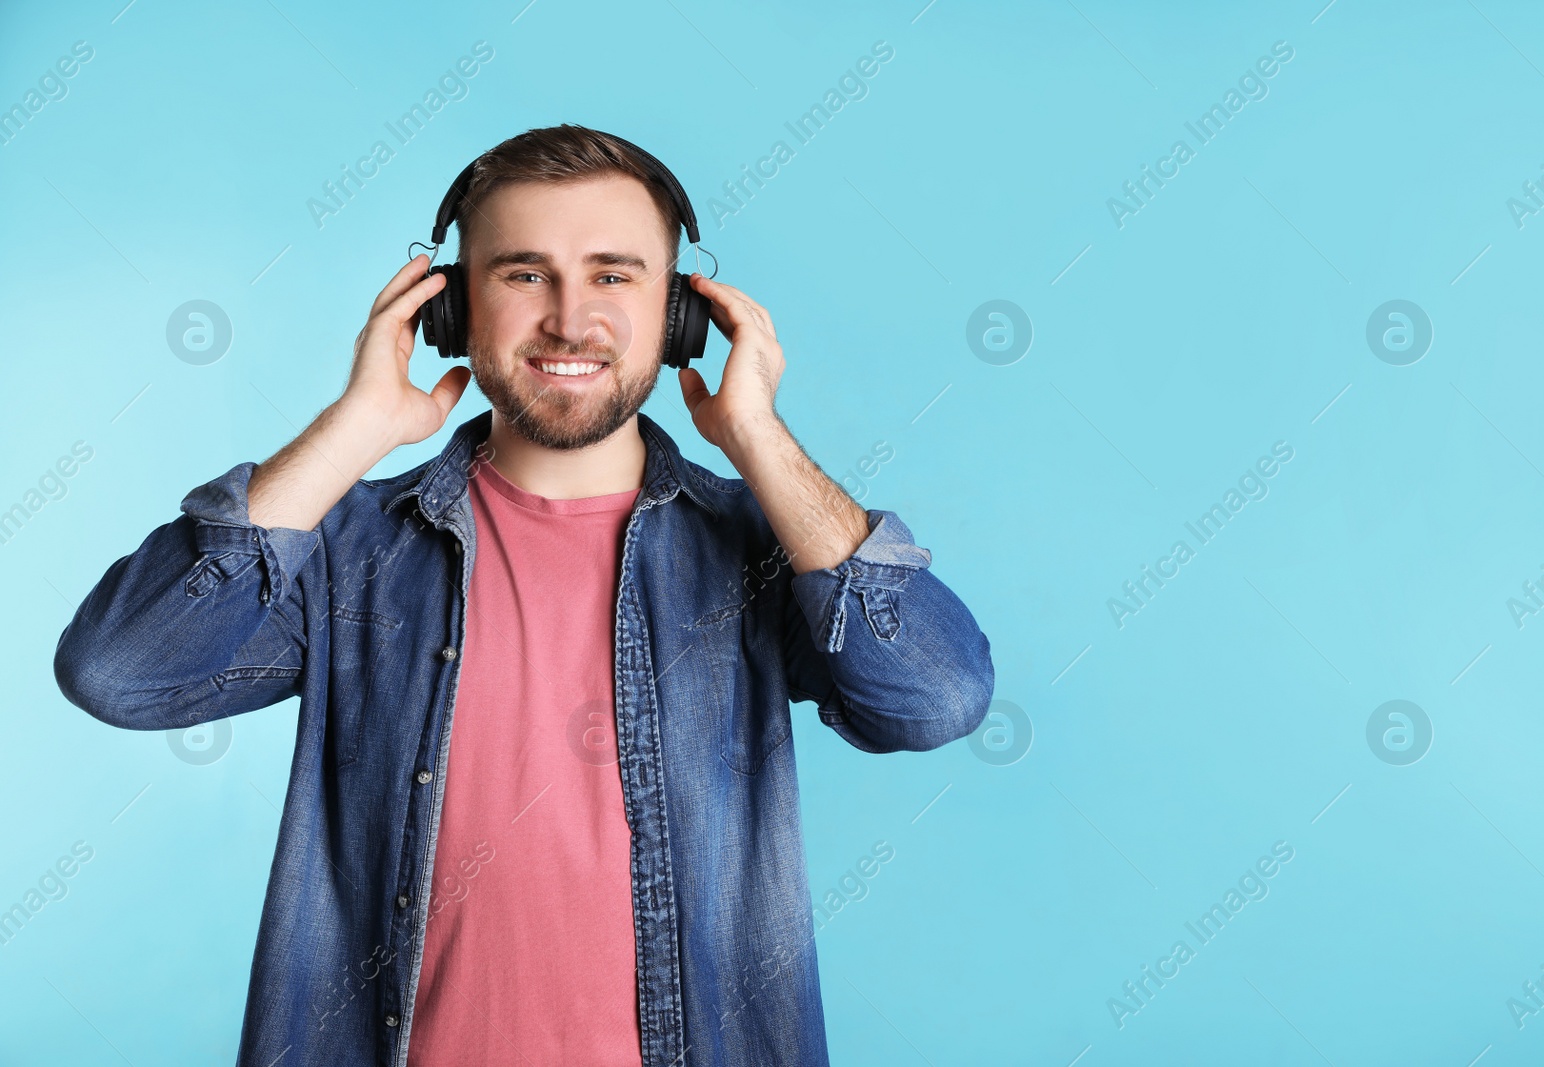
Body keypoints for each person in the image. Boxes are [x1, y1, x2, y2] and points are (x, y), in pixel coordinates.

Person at [53, 124, 995, 1067]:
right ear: (451, 310)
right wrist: (356, 428)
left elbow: (936, 699)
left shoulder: (759, 550)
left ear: (681, 315)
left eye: (616, 275)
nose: (570, 320)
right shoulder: (347, 552)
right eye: (523, 274)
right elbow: (119, 671)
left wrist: (756, 436)